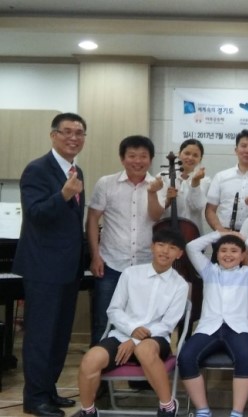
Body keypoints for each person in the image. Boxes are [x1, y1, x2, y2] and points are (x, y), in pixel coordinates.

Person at [13, 113, 87, 417]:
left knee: (59, 335)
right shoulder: (37, 169)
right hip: (43, 268)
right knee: (41, 335)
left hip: (68, 268)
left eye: (79, 133)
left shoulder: (75, 170)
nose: (73, 138)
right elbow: (36, 214)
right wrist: (63, 195)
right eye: (67, 132)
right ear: (53, 135)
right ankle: (34, 398)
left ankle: (48, 390)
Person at [75, 229, 189, 417]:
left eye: (172, 248)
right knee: (90, 359)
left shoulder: (180, 285)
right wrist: (132, 330)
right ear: (152, 247)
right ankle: (88, 411)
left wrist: (135, 341)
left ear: (179, 254)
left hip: (156, 338)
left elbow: (168, 324)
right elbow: (114, 310)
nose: (165, 251)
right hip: (122, 334)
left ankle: (167, 406)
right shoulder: (130, 274)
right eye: (161, 245)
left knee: (143, 349)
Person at [178, 230, 248, 417]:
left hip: (237, 329)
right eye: (223, 250)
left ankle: (237, 412)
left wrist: (245, 239)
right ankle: (203, 410)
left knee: (246, 357)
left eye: (234, 251)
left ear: (242, 255)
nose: (228, 255)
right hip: (208, 328)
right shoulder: (208, 271)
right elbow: (191, 247)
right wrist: (218, 234)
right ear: (216, 254)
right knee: (185, 357)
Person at [87, 135, 165, 345]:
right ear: (122, 158)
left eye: (143, 156)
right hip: (111, 264)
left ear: (151, 159)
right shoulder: (106, 183)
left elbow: (156, 216)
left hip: (145, 266)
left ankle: (134, 366)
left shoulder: (159, 185)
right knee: (103, 320)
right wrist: (95, 256)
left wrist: (152, 193)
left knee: (141, 321)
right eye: (132, 156)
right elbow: (93, 219)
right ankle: (99, 365)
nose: (138, 161)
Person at [205, 129, 248, 232]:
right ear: (236, 150)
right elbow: (210, 210)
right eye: (243, 146)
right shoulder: (221, 177)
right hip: (225, 232)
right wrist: (221, 231)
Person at [150, 138, 210, 233]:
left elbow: (196, 207)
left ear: (200, 159)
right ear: (179, 154)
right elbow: (155, 210)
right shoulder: (163, 177)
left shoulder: (205, 181)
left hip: (192, 233)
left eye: (195, 155)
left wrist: (195, 182)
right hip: (166, 231)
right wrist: (167, 200)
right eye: (187, 153)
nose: (190, 158)